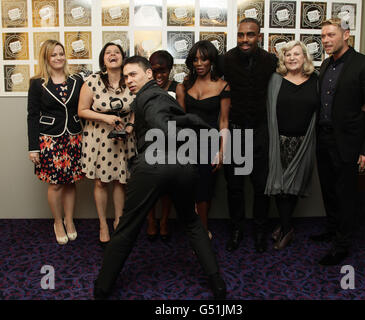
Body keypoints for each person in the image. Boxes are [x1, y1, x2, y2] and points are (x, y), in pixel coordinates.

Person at [93, 56, 226, 300]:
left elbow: (159, 123)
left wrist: (189, 122)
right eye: (125, 76)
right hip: (183, 166)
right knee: (192, 223)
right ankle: (217, 282)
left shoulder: (150, 96)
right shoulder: (161, 96)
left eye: (133, 74)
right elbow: (165, 122)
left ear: (149, 75)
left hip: (154, 164)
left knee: (127, 227)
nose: (128, 80)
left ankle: (101, 288)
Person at [310, 18, 365, 265]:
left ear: (346, 35)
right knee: (329, 191)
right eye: (323, 36)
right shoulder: (325, 65)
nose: (326, 40)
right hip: (325, 138)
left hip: (349, 142)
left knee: (345, 194)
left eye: (331, 35)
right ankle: (333, 230)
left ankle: (342, 245)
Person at [220, 18, 278, 253]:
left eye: (250, 35)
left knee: (261, 186)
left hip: (260, 132)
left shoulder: (271, 60)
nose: (245, 39)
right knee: (234, 187)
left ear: (259, 37)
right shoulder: (224, 60)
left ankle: (260, 231)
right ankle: (236, 230)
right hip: (234, 131)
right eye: (241, 34)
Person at [78, 42, 136, 246]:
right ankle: (103, 224)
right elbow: (82, 110)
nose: (113, 55)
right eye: (108, 52)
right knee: (101, 182)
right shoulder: (92, 81)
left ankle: (119, 220)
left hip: (124, 137)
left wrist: (128, 128)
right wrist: (106, 118)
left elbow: (137, 107)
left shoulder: (130, 79)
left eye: (117, 52)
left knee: (121, 181)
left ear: (123, 57)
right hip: (99, 138)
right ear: (103, 58)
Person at [27, 39, 84, 245]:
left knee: (70, 182)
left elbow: (84, 106)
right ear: (46, 58)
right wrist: (33, 148)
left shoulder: (77, 79)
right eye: (53, 55)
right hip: (49, 139)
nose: (58, 57)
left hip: (74, 136)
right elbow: (32, 115)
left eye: (61, 53)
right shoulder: (36, 82)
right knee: (55, 184)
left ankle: (69, 220)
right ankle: (58, 222)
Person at [265, 41, 319, 250]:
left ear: (305, 57)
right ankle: (287, 229)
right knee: (281, 187)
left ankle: (285, 226)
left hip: (303, 142)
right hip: (279, 141)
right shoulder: (275, 80)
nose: (292, 58)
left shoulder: (315, 80)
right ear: (283, 59)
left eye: (297, 54)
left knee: (293, 187)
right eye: (288, 55)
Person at [179, 40, 230, 239]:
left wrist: (221, 151)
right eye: (195, 59)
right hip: (187, 144)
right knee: (188, 190)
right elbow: (180, 120)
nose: (199, 63)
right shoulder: (184, 86)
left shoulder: (223, 86)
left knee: (204, 191)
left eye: (204, 59)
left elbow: (224, 122)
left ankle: (202, 231)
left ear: (212, 61)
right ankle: (195, 228)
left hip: (209, 145)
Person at [144, 50, 184, 241]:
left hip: (170, 143)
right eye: (155, 70)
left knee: (167, 186)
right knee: (150, 186)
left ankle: (164, 221)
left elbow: (182, 116)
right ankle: (151, 221)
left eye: (164, 71)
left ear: (170, 70)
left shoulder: (178, 88)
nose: (159, 75)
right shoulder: (144, 88)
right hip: (147, 142)